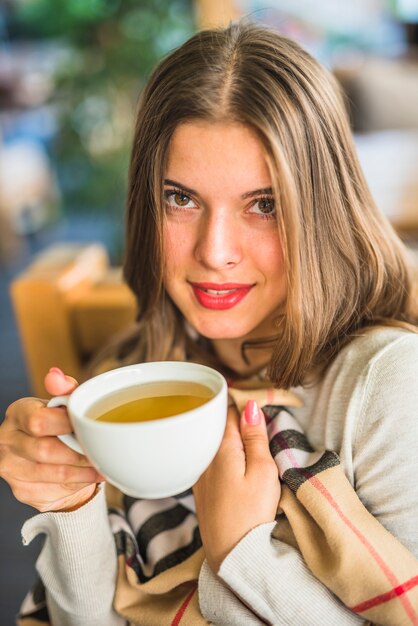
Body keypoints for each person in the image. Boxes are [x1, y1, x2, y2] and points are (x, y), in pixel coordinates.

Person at [1, 20, 418, 626]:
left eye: (264, 204)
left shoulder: (388, 386)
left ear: (321, 208)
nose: (215, 251)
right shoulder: (131, 378)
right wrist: (72, 501)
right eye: (181, 198)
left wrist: (242, 552)